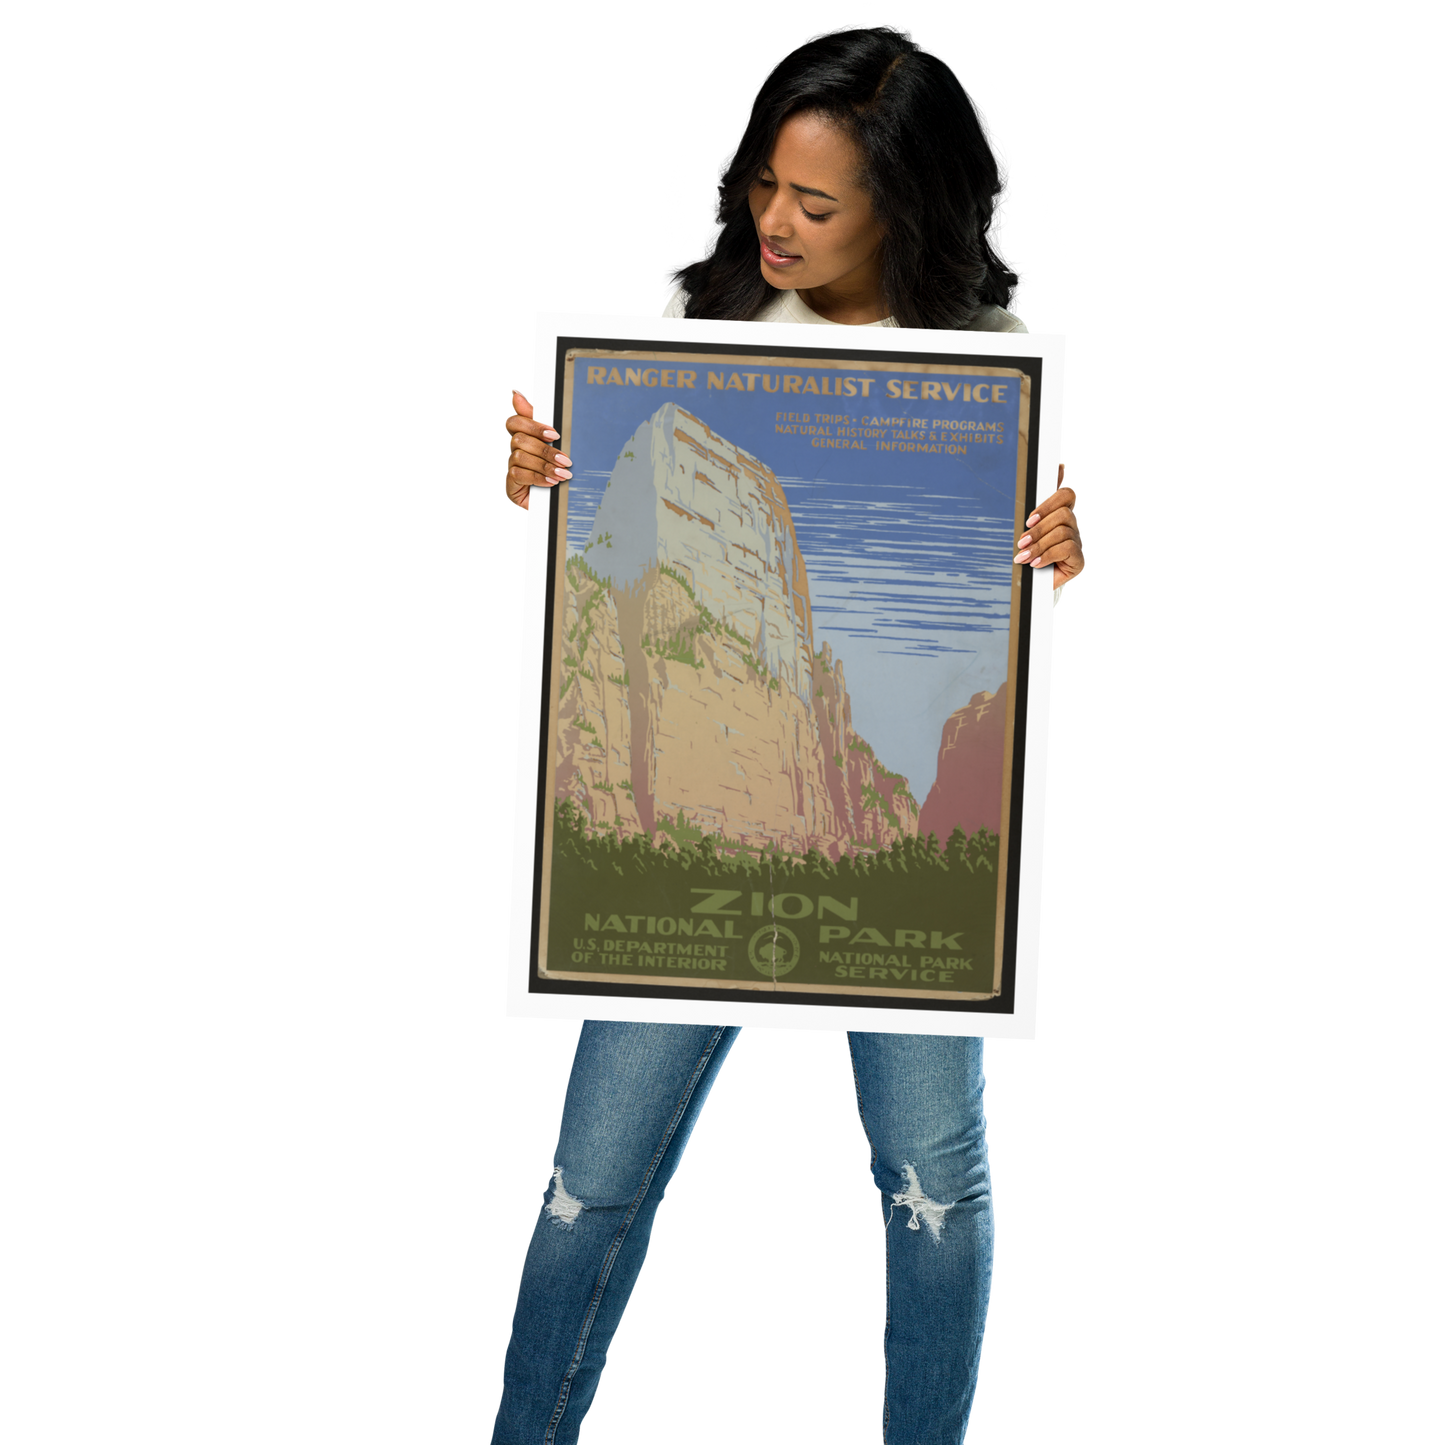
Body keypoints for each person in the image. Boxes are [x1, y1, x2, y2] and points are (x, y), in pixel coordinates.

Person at [494, 18, 1087, 1444]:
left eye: (816, 204)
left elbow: (995, 636)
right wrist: (538, 493)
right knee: (590, 1180)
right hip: (679, 855)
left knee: (935, 1182)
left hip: (903, 890)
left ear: (909, 202)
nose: (771, 222)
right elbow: (591, 577)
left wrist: (1066, 550)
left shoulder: (997, 361)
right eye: (765, 184)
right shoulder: (692, 324)